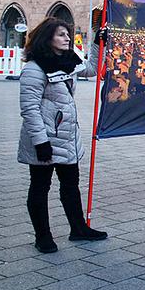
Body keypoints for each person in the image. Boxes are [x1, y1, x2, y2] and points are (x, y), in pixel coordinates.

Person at [18, 17, 108, 253]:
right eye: (61, 34)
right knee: (40, 187)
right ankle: (43, 236)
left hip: (67, 136)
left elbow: (91, 69)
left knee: (70, 185)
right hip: (45, 138)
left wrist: (98, 44)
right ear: (47, 38)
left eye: (67, 34)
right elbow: (29, 109)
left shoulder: (68, 61)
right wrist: (41, 142)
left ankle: (78, 228)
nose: (67, 38)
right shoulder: (34, 69)